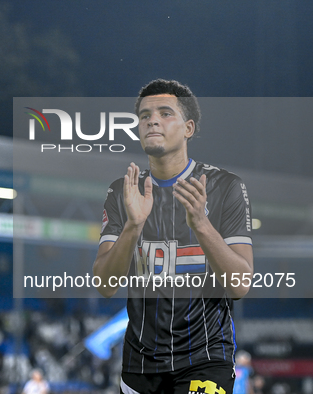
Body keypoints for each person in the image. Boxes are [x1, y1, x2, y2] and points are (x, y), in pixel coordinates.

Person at [93, 79, 253, 394]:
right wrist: (133, 225)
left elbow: (239, 285)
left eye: (165, 112)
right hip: (139, 367)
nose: (152, 120)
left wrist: (202, 225)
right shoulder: (121, 191)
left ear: (188, 128)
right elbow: (105, 285)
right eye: (144, 115)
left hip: (205, 359)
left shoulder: (226, 187)